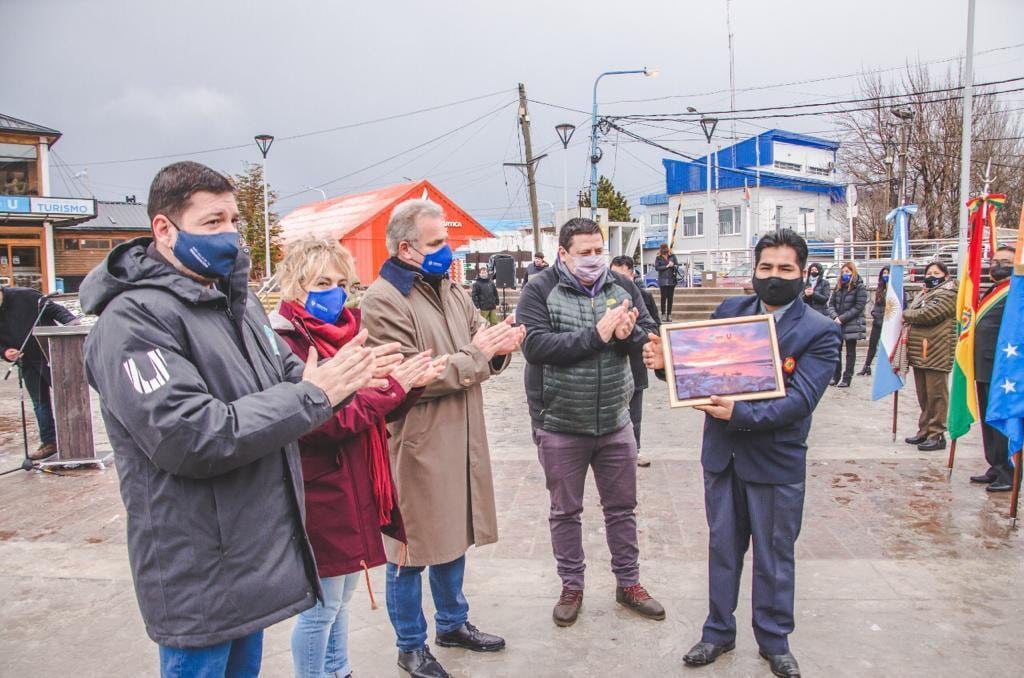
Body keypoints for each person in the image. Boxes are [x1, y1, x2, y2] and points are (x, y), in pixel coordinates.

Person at [80, 161, 382, 678]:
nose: (231, 235)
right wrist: (315, 394)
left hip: (251, 554)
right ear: (164, 229)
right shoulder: (132, 321)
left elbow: (293, 376)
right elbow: (189, 436)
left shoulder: (237, 306)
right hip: (197, 566)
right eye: (213, 222)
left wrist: (352, 376)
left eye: (234, 221)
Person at [644, 229, 840, 678]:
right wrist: (664, 366)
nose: (774, 276)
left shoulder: (820, 331)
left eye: (785, 269)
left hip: (776, 461)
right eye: (766, 267)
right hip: (723, 457)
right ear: (754, 270)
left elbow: (799, 402)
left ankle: (774, 640)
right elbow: (698, 373)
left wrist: (737, 412)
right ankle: (717, 632)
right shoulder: (731, 312)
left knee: (774, 556)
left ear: (803, 273)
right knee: (723, 549)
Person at [360, 199, 525, 678]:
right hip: (417, 443)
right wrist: (478, 355)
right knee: (410, 549)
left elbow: (479, 342)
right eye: (436, 243)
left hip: (462, 433)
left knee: (455, 534)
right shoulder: (383, 300)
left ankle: (453, 623)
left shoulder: (451, 288)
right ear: (407, 248)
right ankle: (410, 645)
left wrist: (499, 350)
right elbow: (411, 376)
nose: (446, 251)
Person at [271, 237, 447, 678]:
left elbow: (373, 413)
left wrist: (408, 385)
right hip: (319, 488)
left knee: (343, 595)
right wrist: (389, 389)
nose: (335, 292)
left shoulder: (351, 332)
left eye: (341, 282)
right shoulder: (288, 343)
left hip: (355, 481)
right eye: (321, 282)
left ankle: (339, 669)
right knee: (321, 606)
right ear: (295, 286)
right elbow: (321, 421)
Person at [519, 219, 664, 629]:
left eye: (598, 250)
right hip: (561, 421)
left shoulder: (622, 285)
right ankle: (572, 585)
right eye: (584, 252)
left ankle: (629, 583)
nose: (593, 259)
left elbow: (648, 333)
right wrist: (597, 335)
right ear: (562, 254)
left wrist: (628, 332)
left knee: (622, 509)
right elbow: (535, 346)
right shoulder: (539, 289)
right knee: (566, 511)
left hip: (616, 421)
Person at [0, 285, 76, 460]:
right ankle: (49, 442)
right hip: (25, 360)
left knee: (66, 398)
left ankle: (75, 440)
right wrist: (5, 352)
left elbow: (56, 310)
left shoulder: (25, 295)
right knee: (39, 402)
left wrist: (72, 326)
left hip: (50, 353)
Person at [971, 246, 1016, 491]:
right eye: (995, 260)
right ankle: (995, 464)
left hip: (1002, 368)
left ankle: (1008, 473)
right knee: (988, 420)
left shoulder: (1016, 292)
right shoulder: (994, 289)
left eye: (1006, 262)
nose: (998, 265)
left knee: (1000, 420)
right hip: (984, 365)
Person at [901, 261, 957, 452]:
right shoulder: (926, 293)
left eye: (936, 273)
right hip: (921, 352)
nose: (932, 276)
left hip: (937, 352)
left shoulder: (948, 294)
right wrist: (910, 313)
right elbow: (917, 311)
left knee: (937, 396)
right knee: (924, 395)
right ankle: (924, 430)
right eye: (929, 272)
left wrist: (906, 314)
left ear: (946, 276)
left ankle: (937, 434)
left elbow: (927, 314)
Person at [611, 255, 660, 467]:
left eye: (623, 275)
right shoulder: (606, 295)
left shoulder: (643, 296)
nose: (618, 279)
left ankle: (635, 449)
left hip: (635, 362)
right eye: (613, 274)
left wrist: (632, 332)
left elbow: (654, 327)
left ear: (632, 274)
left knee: (635, 411)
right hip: (613, 365)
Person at [827, 261, 868, 388]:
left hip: (852, 323)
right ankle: (836, 375)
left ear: (853, 272)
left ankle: (847, 377)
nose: (845, 274)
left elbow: (859, 306)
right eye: (843, 272)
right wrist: (835, 316)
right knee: (836, 350)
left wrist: (842, 318)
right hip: (838, 323)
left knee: (850, 352)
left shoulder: (859, 287)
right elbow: (831, 304)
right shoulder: (838, 287)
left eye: (847, 272)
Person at [858, 266, 891, 376]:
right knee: (872, 344)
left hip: (889, 323)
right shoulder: (880, 289)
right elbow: (876, 306)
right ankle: (867, 366)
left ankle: (888, 369)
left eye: (888, 273)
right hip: (878, 322)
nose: (886, 275)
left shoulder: (895, 290)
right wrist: (875, 315)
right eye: (884, 273)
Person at [654, 243, 680, 321]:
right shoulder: (658, 258)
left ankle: (669, 314)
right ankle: (663, 314)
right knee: (663, 298)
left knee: (670, 298)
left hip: (671, 280)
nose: (664, 252)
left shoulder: (672, 256)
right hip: (662, 280)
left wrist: (673, 265)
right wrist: (667, 266)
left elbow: (677, 265)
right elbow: (657, 268)